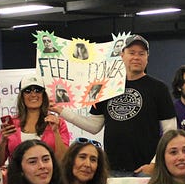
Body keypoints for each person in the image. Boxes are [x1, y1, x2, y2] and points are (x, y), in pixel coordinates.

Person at [55, 35, 176, 175]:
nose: (136, 57)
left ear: (147, 57)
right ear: (122, 55)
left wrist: (155, 164)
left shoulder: (158, 88)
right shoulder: (107, 86)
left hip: (145, 170)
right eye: (131, 53)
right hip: (111, 168)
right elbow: (94, 126)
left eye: (141, 54)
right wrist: (62, 111)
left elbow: (170, 131)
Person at [0, 75, 70, 168]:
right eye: (28, 91)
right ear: (21, 96)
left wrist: (56, 132)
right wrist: (3, 141)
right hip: (17, 180)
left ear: (43, 95)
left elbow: (64, 161)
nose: (33, 95)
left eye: (38, 90)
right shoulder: (10, 124)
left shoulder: (58, 123)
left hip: (49, 180)